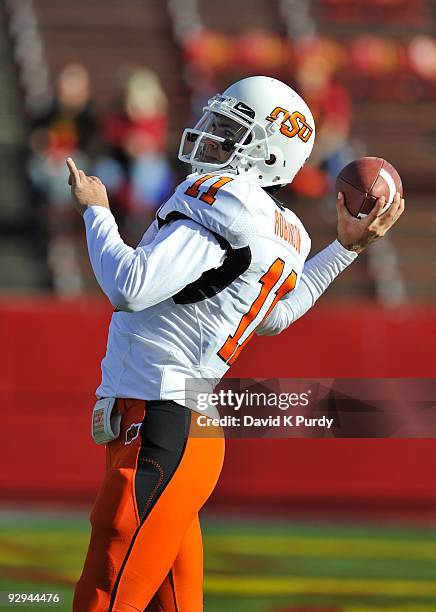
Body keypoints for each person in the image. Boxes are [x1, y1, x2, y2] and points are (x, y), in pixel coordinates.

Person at [68, 76, 404, 611]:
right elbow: (276, 316)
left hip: (160, 423)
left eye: (231, 129)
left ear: (268, 153)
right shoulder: (285, 230)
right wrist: (343, 250)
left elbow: (129, 286)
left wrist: (95, 209)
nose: (212, 134)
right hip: (185, 430)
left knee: (103, 600)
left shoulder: (221, 199)